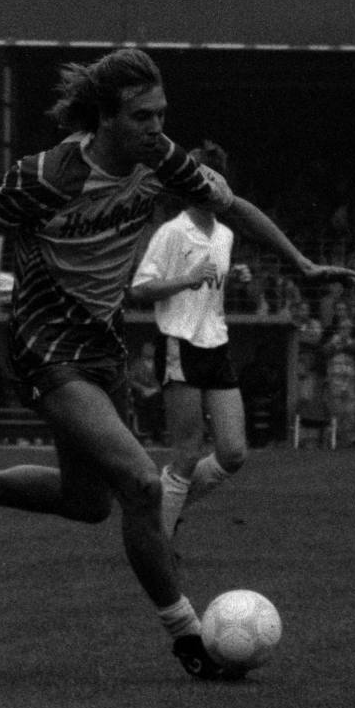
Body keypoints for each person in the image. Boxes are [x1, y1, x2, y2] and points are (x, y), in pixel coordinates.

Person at [0, 47, 355, 681]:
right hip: (47, 352)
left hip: (103, 349)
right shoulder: (46, 176)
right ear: (107, 118)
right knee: (143, 485)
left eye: (162, 114)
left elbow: (232, 207)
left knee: (88, 502)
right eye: (143, 117)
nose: (157, 128)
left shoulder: (162, 161)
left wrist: (302, 265)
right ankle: (190, 637)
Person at [131, 142, 256, 536]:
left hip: (215, 344)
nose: (209, 187)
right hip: (178, 343)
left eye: (215, 179)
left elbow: (210, 287)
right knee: (187, 452)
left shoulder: (225, 236)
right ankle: (159, 543)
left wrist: (234, 280)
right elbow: (139, 288)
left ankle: (163, 510)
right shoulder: (172, 232)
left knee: (233, 452)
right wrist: (186, 278)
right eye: (202, 179)